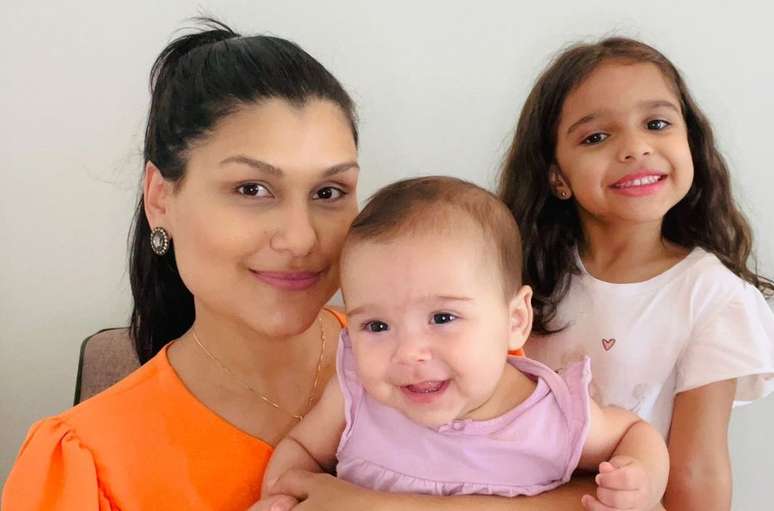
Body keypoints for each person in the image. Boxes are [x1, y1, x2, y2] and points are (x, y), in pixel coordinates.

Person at [2, 18, 360, 510]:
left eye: (329, 192)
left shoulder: (437, 353)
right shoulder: (88, 464)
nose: (301, 239)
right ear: (160, 199)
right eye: (251, 189)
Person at [262, 176, 669, 511]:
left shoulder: (554, 417)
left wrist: (641, 478)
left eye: (442, 318)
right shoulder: (357, 396)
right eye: (377, 325)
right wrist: (280, 498)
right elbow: (302, 449)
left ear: (515, 320)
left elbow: (632, 432)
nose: (409, 353)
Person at [498, 37, 774, 509]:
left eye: (656, 124)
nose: (635, 148)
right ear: (557, 176)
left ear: (690, 141)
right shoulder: (514, 276)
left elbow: (696, 472)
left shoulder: (713, 295)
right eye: (596, 137)